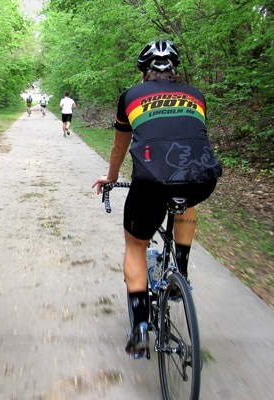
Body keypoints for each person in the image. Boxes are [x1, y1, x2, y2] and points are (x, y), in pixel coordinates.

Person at [91, 40, 221, 357]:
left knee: (135, 245)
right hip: (202, 178)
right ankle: (182, 272)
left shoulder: (131, 96)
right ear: (175, 71)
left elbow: (120, 146)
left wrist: (110, 176)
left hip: (150, 182)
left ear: (142, 72)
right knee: (185, 195)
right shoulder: (196, 95)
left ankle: (139, 327)